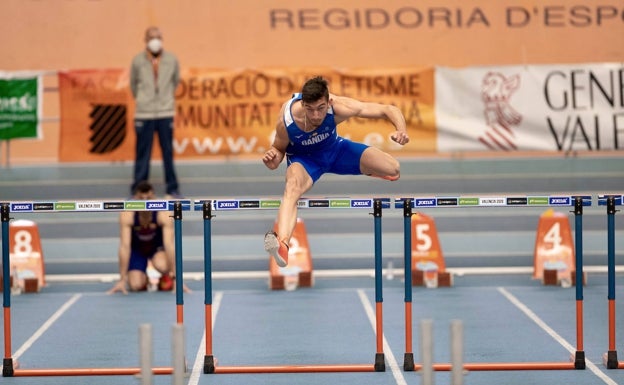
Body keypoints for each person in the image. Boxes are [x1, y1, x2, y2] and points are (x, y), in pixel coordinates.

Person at [262, 76, 410, 267]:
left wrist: (401, 130)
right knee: (292, 188)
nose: (315, 115)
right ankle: (283, 243)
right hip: (304, 161)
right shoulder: (287, 120)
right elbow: (278, 150)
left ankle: (370, 170)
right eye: (310, 109)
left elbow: (388, 109)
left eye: (321, 109)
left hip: (336, 151)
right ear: (303, 103)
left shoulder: (341, 106)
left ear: (329, 102)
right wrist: (273, 158)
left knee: (393, 169)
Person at [129, 26, 182, 198]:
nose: (155, 40)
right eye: (152, 37)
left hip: (165, 112)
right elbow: (133, 85)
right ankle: (138, 188)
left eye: (158, 37)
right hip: (144, 113)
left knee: (168, 152)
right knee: (143, 153)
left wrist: (165, 99)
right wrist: (145, 100)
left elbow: (175, 82)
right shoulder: (137, 61)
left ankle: (172, 187)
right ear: (145, 40)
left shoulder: (172, 59)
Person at [108, 181, 178, 294]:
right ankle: (143, 278)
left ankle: (166, 276)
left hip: (156, 249)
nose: (145, 202)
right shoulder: (127, 214)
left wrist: (177, 279)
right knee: (135, 285)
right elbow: (124, 247)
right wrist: (122, 280)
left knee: (163, 266)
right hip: (137, 250)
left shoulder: (164, 213)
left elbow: (169, 245)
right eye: (142, 199)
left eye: (148, 198)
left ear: (154, 197)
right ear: (135, 198)